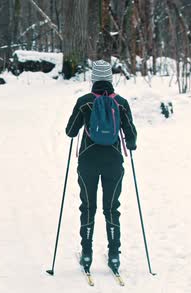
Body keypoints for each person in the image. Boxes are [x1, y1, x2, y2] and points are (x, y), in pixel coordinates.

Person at [65, 59, 137, 271]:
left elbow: (70, 131)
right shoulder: (121, 103)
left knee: (88, 207)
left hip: (88, 161)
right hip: (113, 162)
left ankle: (86, 254)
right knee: (111, 208)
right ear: (110, 79)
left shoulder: (84, 101)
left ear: (94, 79)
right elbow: (131, 138)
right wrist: (130, 144)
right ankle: (114, 255)